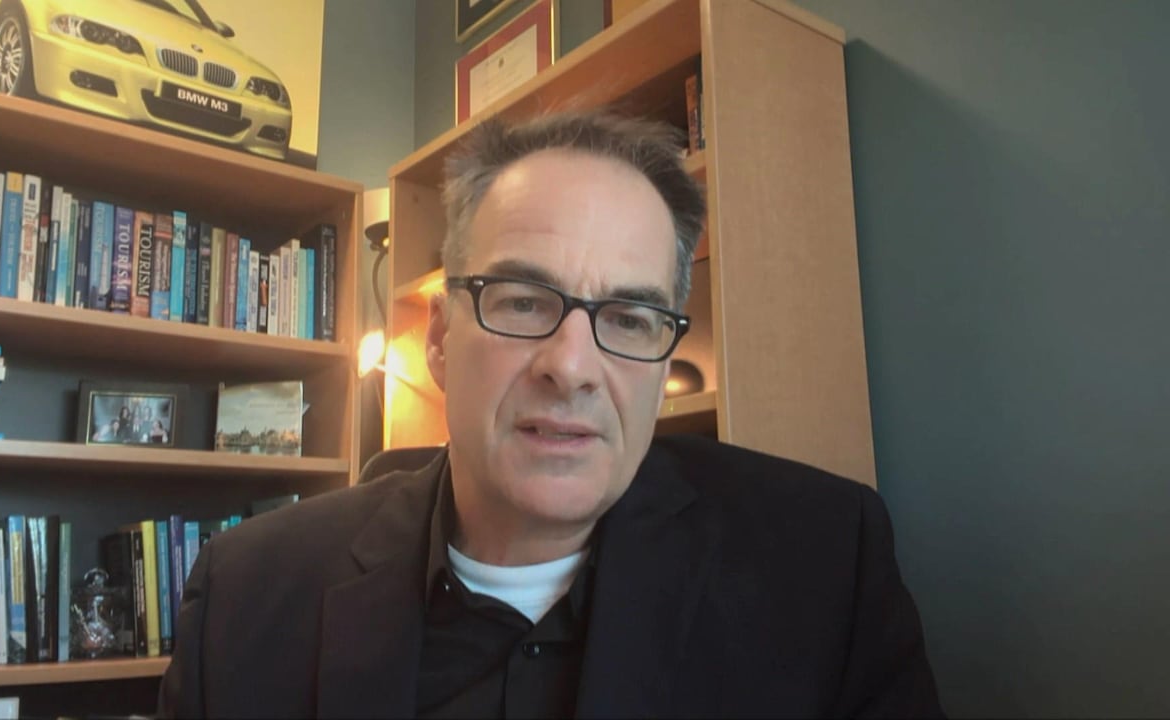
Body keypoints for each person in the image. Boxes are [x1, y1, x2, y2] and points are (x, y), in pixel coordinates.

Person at [159, 111, 943, 718]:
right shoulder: (247, 596)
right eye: (525, 301)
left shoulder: (826, 568)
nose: (569, 367)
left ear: (664, 357)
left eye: (630, 318)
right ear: (439, 339)